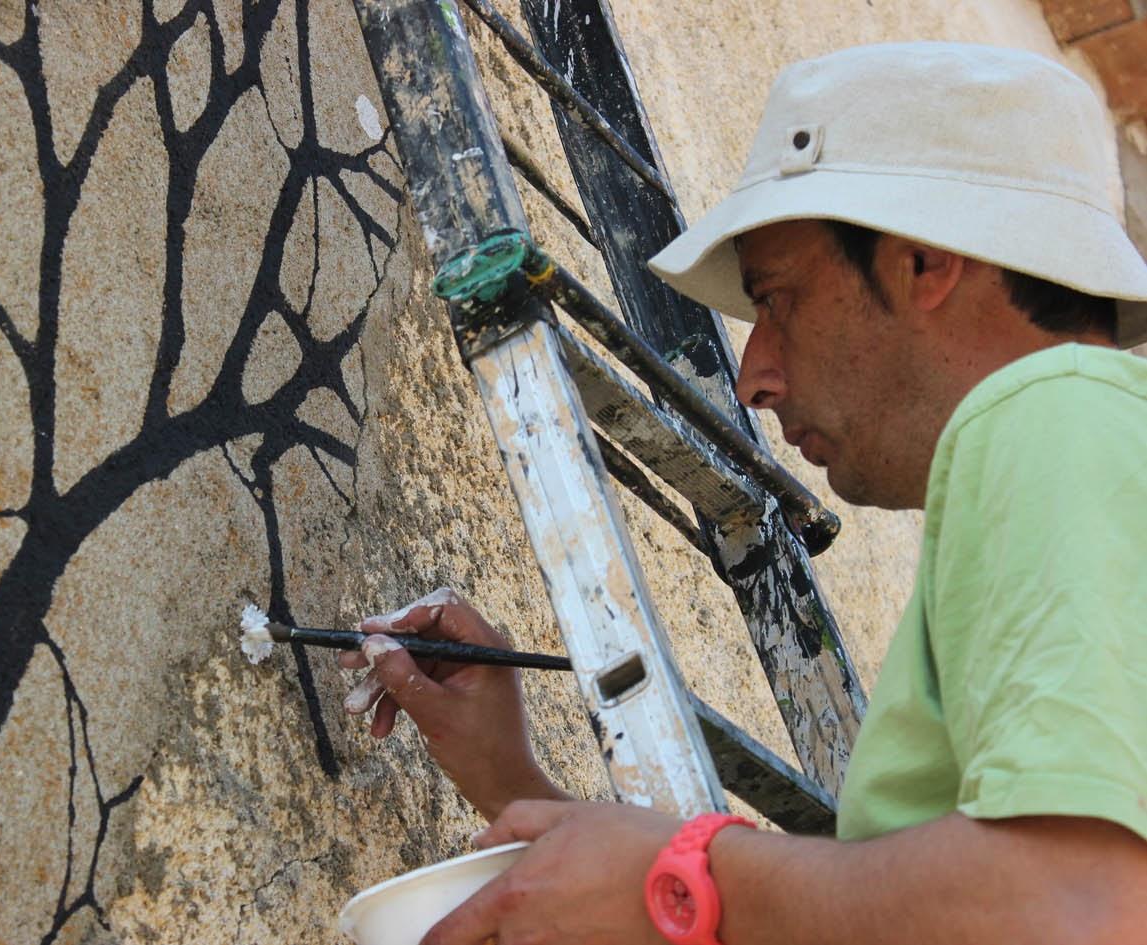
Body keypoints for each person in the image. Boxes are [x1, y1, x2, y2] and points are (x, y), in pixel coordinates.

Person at [339, 43, 1147, 945]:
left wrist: (683, 871)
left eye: (778, 297)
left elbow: (1077, 909)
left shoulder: (1056, 414)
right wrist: (517, 791)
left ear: (922, 263)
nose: (754, 376)